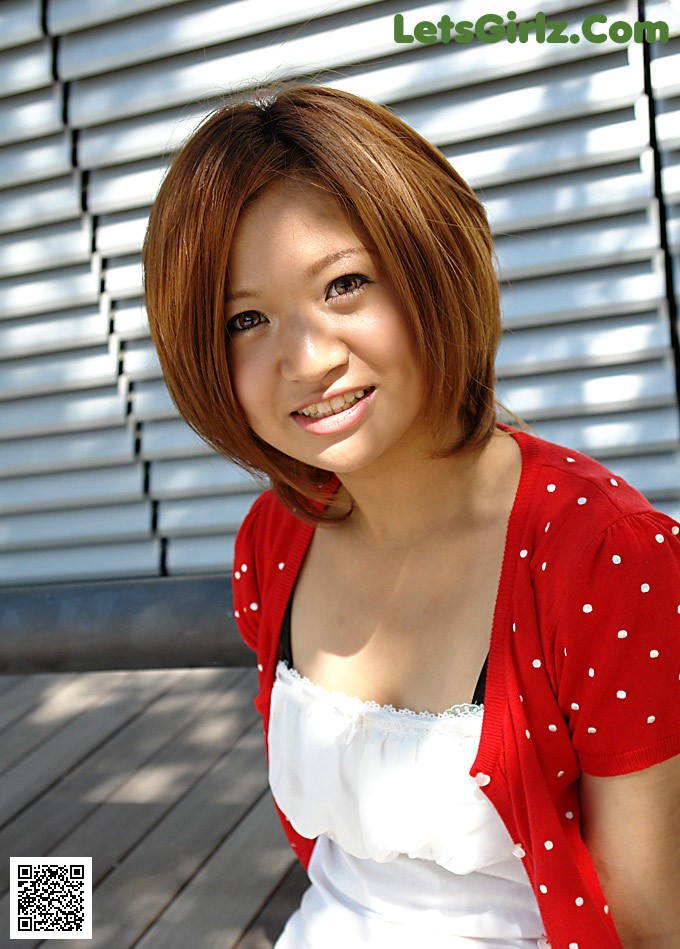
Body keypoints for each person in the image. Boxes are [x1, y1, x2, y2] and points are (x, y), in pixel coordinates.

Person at [142, 84, 680, 948]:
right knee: (45, 899)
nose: (306, 359)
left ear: (435, 265)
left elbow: (651, 924)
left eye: (345, 284)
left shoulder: (604, 556)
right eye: (246, 318)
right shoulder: (273, 540)